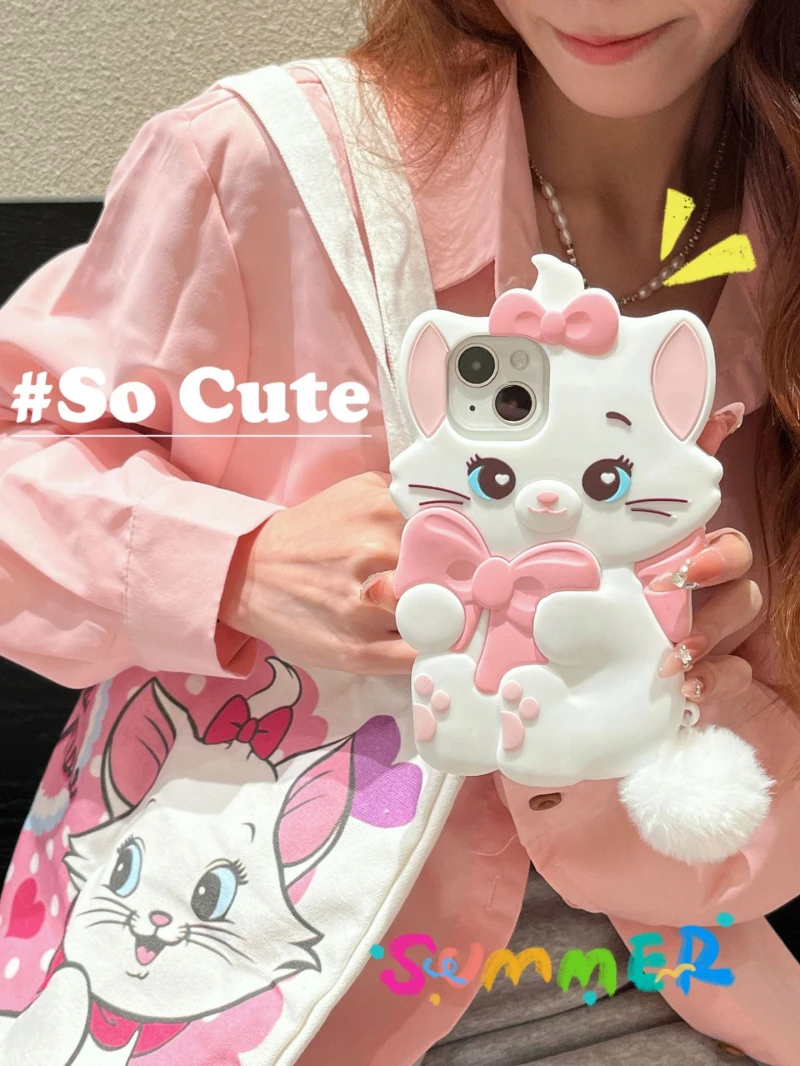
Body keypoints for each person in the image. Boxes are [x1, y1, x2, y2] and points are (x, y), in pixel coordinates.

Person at [0, 1, 798, 1064]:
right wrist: (238, 567)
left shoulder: (778, 246)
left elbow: (750, 842)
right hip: (228, 971)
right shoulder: (271, 169)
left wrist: (699, 704)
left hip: (670, 978)